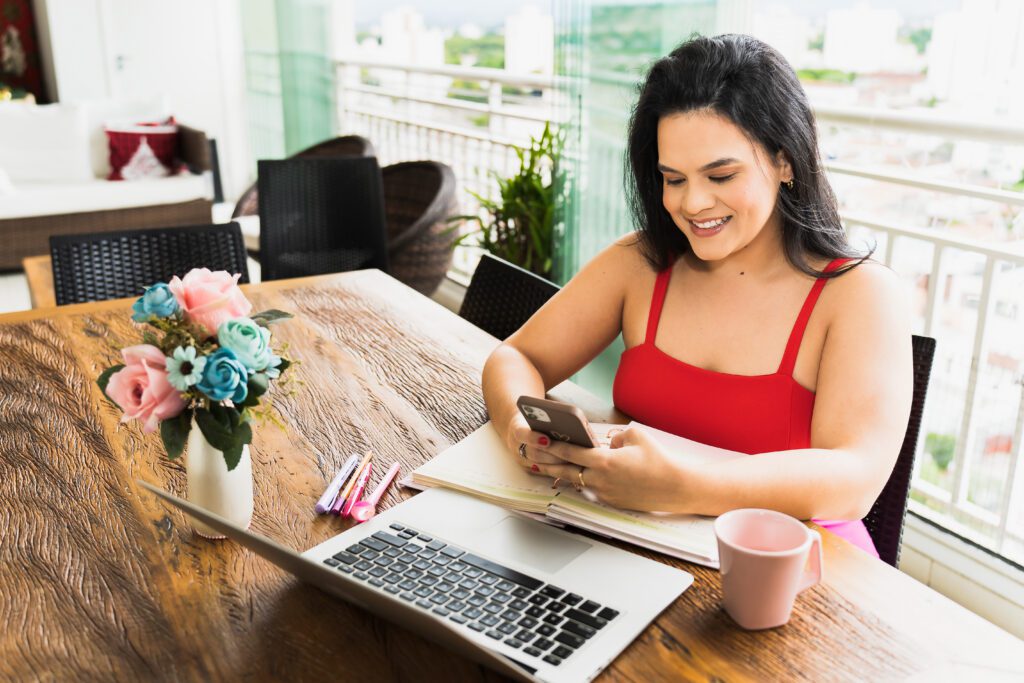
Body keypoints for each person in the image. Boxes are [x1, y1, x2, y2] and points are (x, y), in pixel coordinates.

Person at [480, 34, 913, 557]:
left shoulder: (859, 294)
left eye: (721, 174)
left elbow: (856, 479)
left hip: (794, 569)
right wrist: (518, 428)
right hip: (638, 542)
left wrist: (684, 488)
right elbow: (516, 355)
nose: (692, 203)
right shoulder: (639, 264)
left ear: (786, 161)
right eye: (673, 179)